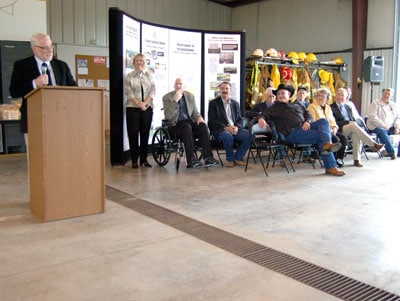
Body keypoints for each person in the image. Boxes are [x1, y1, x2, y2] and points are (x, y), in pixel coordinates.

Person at [257, 83, 345, 176]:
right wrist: (261, 119)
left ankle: (327, 147)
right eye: (278, 94)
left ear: (289, 95)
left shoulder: (297, 105)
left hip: (305, 127)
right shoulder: (273, 108)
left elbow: (308, 115)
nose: (280, 96)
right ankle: (330, 166)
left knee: (323, 121)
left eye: (283, 93)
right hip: (292, 133)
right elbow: (262, 114)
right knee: (321, 137)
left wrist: (307, 121)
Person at [9, 33, 77, 143]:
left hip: (61, 118)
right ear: (34, 49)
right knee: (36, 156)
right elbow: (14, 91)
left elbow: (74, 88)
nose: (50, 50)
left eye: (51, 46)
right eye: (45, 47)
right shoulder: (22, 65)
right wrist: (34, 83)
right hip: (34, 119)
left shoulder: (61, 66)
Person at [162, 78, 219, 168]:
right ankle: (191, 159)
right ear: (174, 85)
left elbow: (195, 112)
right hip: (175, 124)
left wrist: (199, 117)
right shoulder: (167, 97)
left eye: (180, 84)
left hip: (188, 122)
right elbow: (168, 116)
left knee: (203, 126)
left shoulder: (190, 96)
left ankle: (208, 158)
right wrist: (174, 101)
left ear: (184, 86)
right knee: (186, 126)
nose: (178, 86)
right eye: (176, 84)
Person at [331, 88, 384, 166]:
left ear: (346, 97)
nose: (340, 97)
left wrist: (351, 122)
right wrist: (348, 122)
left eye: (342, 95)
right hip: (339, 129)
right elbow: (333, 122)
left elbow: (352, 119)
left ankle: (356, 160)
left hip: (351, 128)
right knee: (353, 126)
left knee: (356, 135)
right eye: (338, 95)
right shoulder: (331, 107)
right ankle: (372, 144)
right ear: (335, 96)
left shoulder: (347, 107)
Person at [208, 81, 251, 167]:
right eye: (222, 88)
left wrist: (237, 128)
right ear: (220, 90)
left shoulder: (235, 104)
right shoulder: (213, 103)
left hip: (234, 129)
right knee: (227, 136)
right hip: (221, 130)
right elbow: (212, 121)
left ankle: (238, 158)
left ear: (230, 90)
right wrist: (226, 128)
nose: (224, 90)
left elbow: (239, 119)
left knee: (250, 135)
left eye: (226, 88)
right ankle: (230, 159)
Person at [124, 53, 156, 168]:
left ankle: (144, 159)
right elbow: (129, 92)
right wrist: (139, 104)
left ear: (144, 63)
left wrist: (145, 103)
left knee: (145, 134)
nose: (139, 63)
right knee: (133, 134)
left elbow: (153, 90)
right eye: (137, 61)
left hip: (146, 108)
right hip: (133, 108)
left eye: (141, 61)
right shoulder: (129, 76)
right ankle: (134, 160)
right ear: (133, 63)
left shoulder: (149, 75)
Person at [308, 88, 347, 167]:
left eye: (323, 96)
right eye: (318, 96)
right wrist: (329, 129)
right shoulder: (312, 106)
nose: (320, 98)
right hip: (321, 131)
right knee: (335, 140)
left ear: (327, 99)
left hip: (331, 130)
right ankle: (332, 162)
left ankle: (339, 159)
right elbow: (314, 122)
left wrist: (335, 128)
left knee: (343, 138)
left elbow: (332, 120)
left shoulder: (328, 108)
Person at [367, 88, 400, 159]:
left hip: (390, 126)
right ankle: (391, 152)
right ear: (382, 94)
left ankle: (399, 153)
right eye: (385, 93)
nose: (386, 95)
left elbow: (398, 117)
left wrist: (397, 127)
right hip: (376, 126)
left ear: (391, 96)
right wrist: (383, 125)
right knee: (382, 131)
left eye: (389, 94)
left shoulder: (393, 105)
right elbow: (372, 117)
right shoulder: (375, 103)